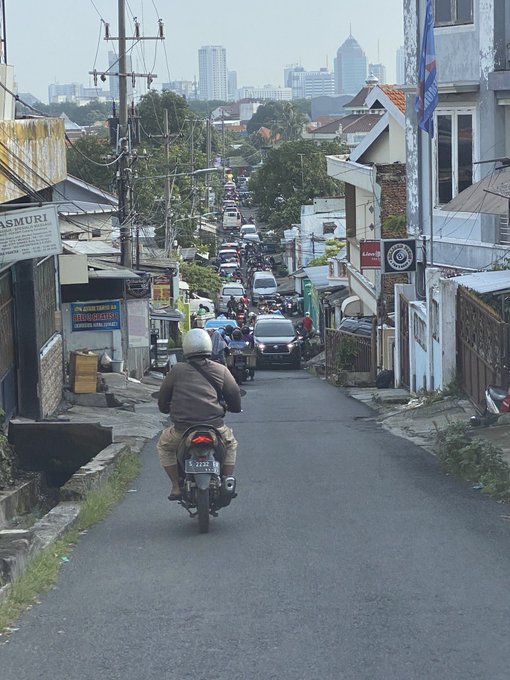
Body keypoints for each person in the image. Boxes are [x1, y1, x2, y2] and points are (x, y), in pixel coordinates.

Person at [157, 329, 242, 500]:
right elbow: (234, 395)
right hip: (215, 428)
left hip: (182, 430)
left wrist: (165, 408)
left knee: (164, 446)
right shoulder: (221, 369)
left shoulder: (176, 370)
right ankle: (225, 480)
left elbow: (163, 398)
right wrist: (233, 407)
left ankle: (175, 486)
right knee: (231, 444)